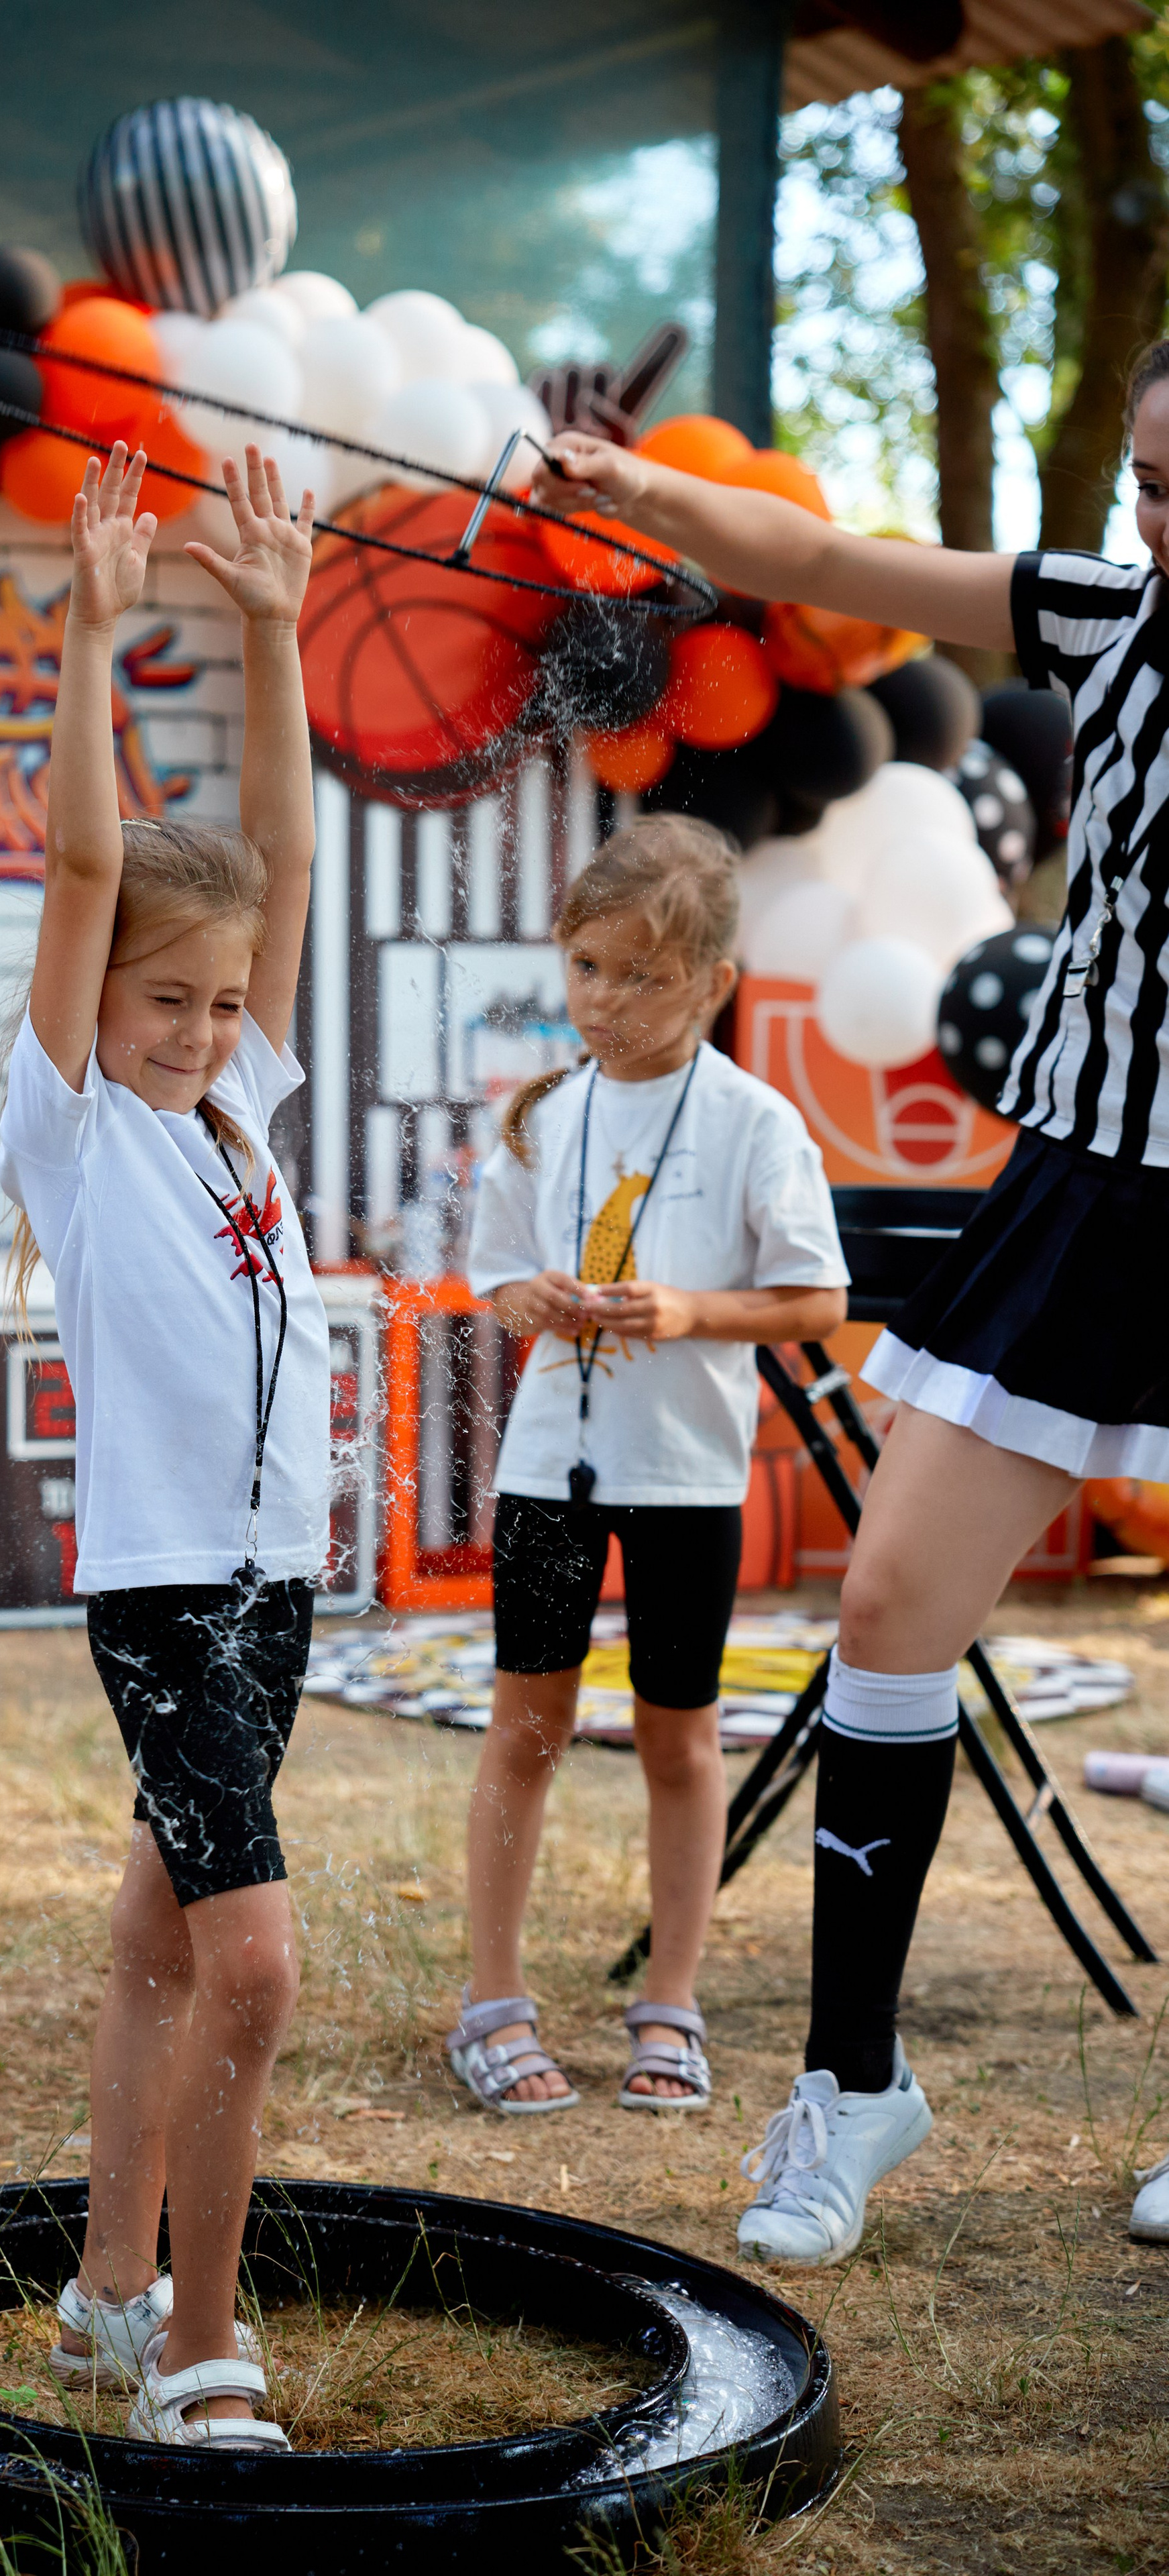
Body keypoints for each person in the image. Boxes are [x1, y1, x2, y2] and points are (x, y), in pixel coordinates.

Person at [532, 337, 1169, 2258]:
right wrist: (646, 503)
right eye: (1148, 482)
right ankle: (854, 2085)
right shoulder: (1109, 617)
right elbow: (854, 567)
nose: (1159, 521)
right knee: (891, 1602)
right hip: (1081, 1182)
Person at [0, 439, 325, 2443]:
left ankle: (107, 2296)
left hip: (272, 1580)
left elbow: (268, 870)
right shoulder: (81, 1136)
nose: (202, 1030)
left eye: (220, 1008)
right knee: (258, 1971)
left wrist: (276, 632)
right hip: (167, 1592)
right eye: (166, 1006)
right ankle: (202, 2348)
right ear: (100, 1013)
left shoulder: (237, 1120)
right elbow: (85, 871)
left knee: (158, 1936)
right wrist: (98, 633)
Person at [447, 818, 848, 2120]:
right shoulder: (536, 1117)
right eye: (586, 968)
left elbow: (811, 1297)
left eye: (641, 976)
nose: (605, 1002)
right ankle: (490, 2002)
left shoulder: (755, 1122)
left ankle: (667, 1999)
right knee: (527, 1729)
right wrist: (527, 1304)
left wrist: (683, 1313)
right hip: (543, 1474)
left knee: (678, 1739)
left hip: (683, 1479)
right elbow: (492, 1279)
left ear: (713, 983)